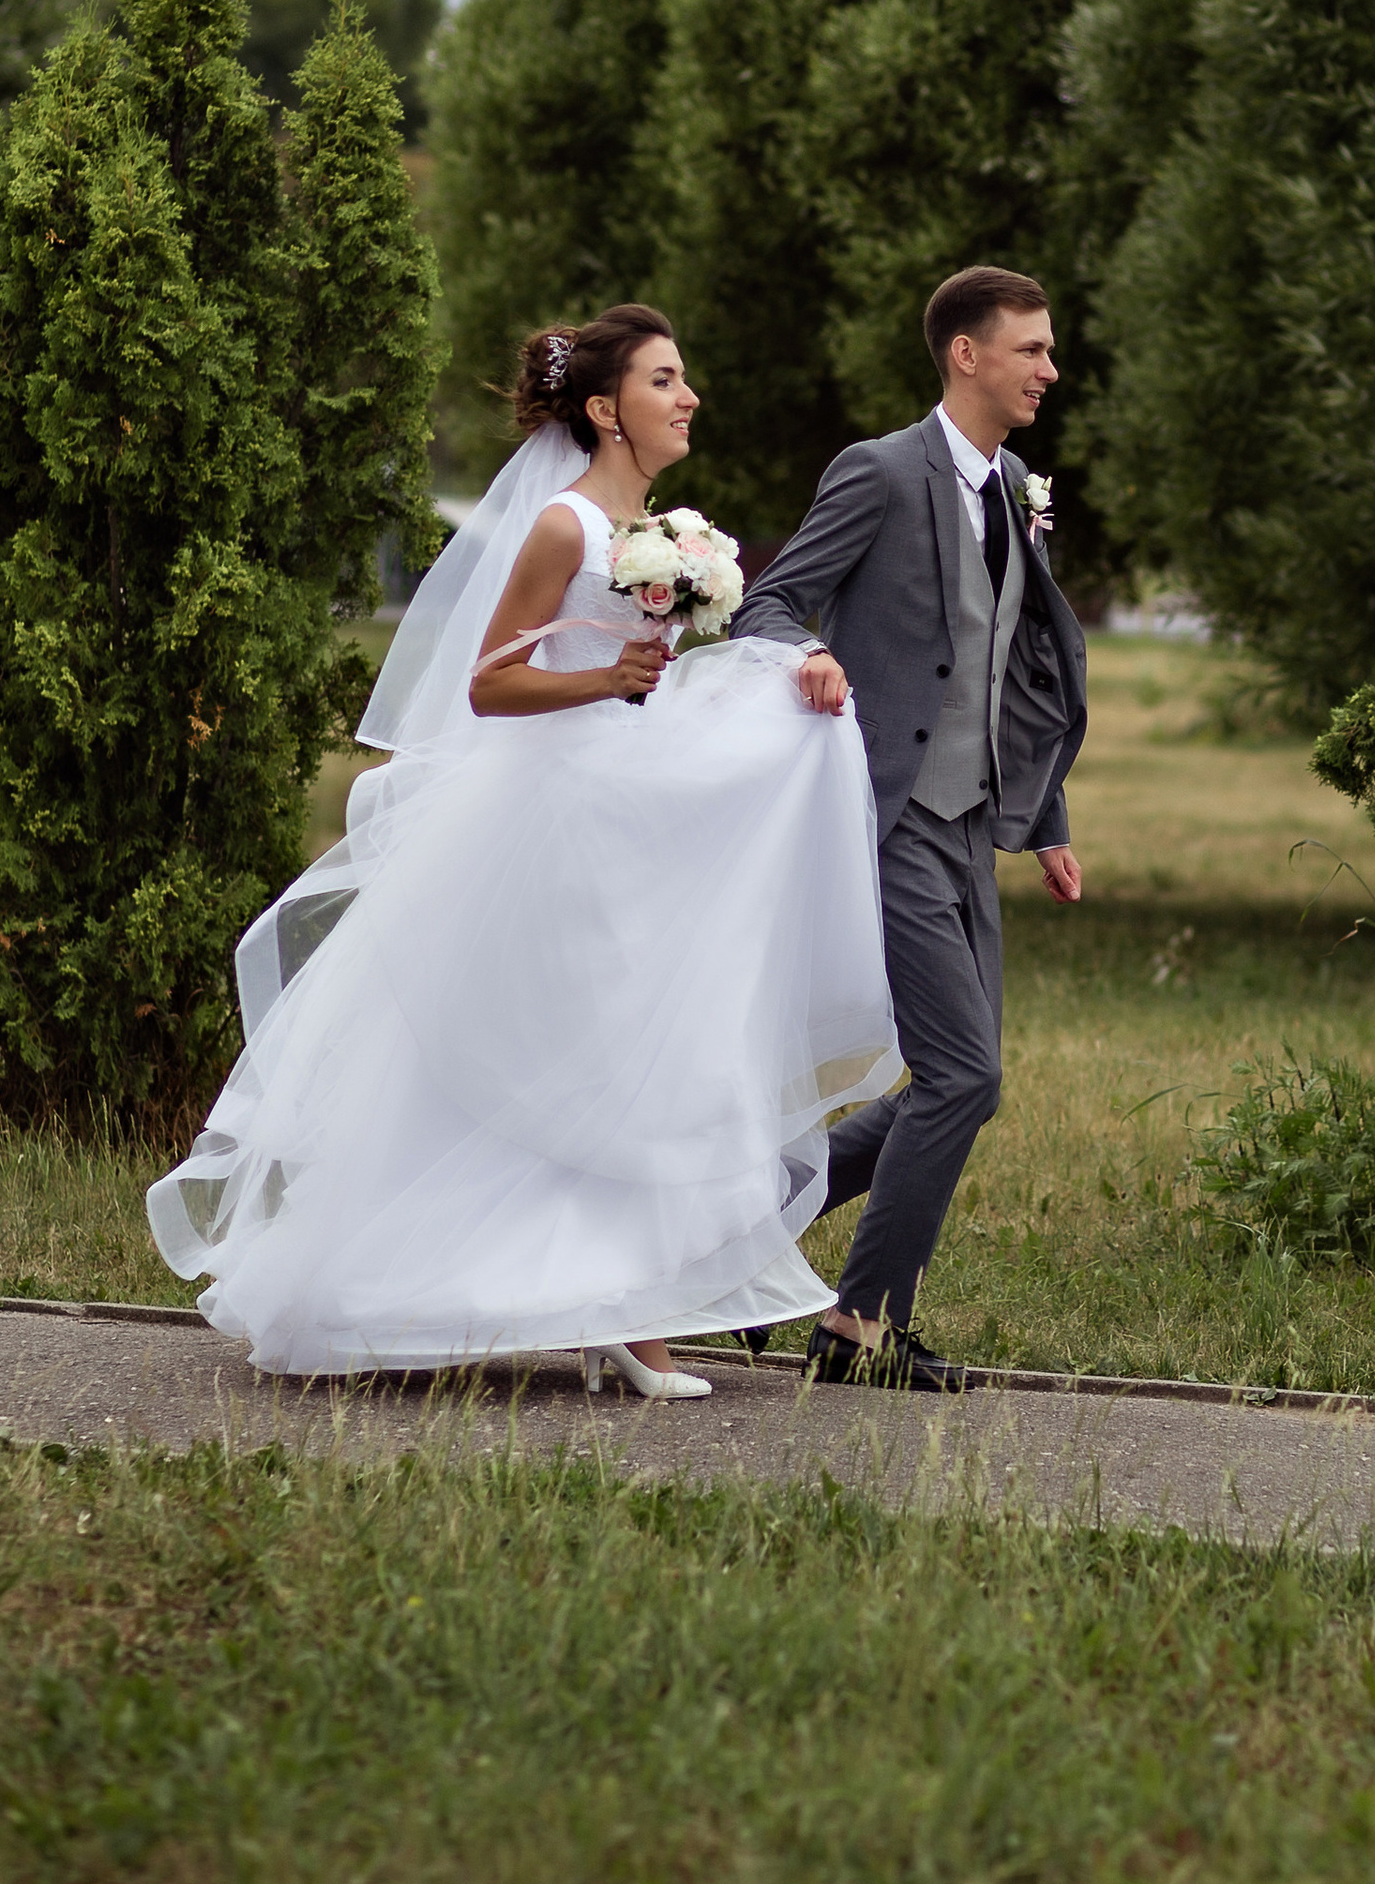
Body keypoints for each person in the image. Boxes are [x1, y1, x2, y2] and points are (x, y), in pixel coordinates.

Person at [147, 305, 900, 1397]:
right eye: (664, 380)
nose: (687, 396)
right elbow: (490, 683)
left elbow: (652, 673)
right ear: (605, 409)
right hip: (557, 816)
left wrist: (789, 672)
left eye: (684, 378)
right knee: (569, 1048)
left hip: (629, 801)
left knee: (639, 1046)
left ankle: (628, 1308)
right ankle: (528, 1302)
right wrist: (606, 679)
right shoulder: (563, 527)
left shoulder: (674, 535)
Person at [731, 265, 1089, 1392]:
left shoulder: (1018, 483)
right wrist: (812, 654)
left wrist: (1045, 820)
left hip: (971, 822)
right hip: (884, 816)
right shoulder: (879, 472)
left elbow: (1018, 665)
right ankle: (856, 1329)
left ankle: (736, 1218)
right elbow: (770, 599)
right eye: (1030, 349)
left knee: (959, 1080)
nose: (1049, 369)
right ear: (965, 355)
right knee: (961, 1075)